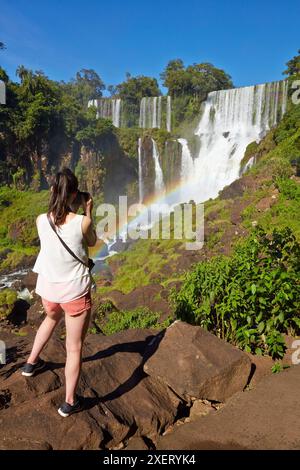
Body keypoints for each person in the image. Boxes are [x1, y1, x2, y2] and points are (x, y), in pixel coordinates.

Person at [21, 167, 97, 417]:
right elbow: (92, 241)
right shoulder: (82, 222)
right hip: (74, 292)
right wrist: (88, 211)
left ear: (53, 190)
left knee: (51, 318)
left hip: (49, 290)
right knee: (74, 348)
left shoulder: (41, 220)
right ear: (75, 193)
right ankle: (69, 402)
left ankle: (30, 364)